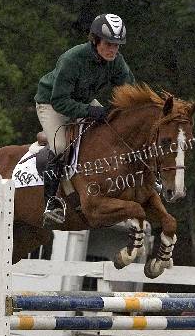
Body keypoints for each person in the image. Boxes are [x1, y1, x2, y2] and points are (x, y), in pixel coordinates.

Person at [34, 13, 135, 223]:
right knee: (60, 147)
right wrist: (90, 111)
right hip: (52, 103)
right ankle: (51, 203)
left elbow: (129, 90)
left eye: (117, 45)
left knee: (112, 130)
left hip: (82, 101)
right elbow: (60, 101)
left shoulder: (116, 61)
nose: (113, 50)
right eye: (108, 44)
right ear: (96, 40)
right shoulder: (72, 59)